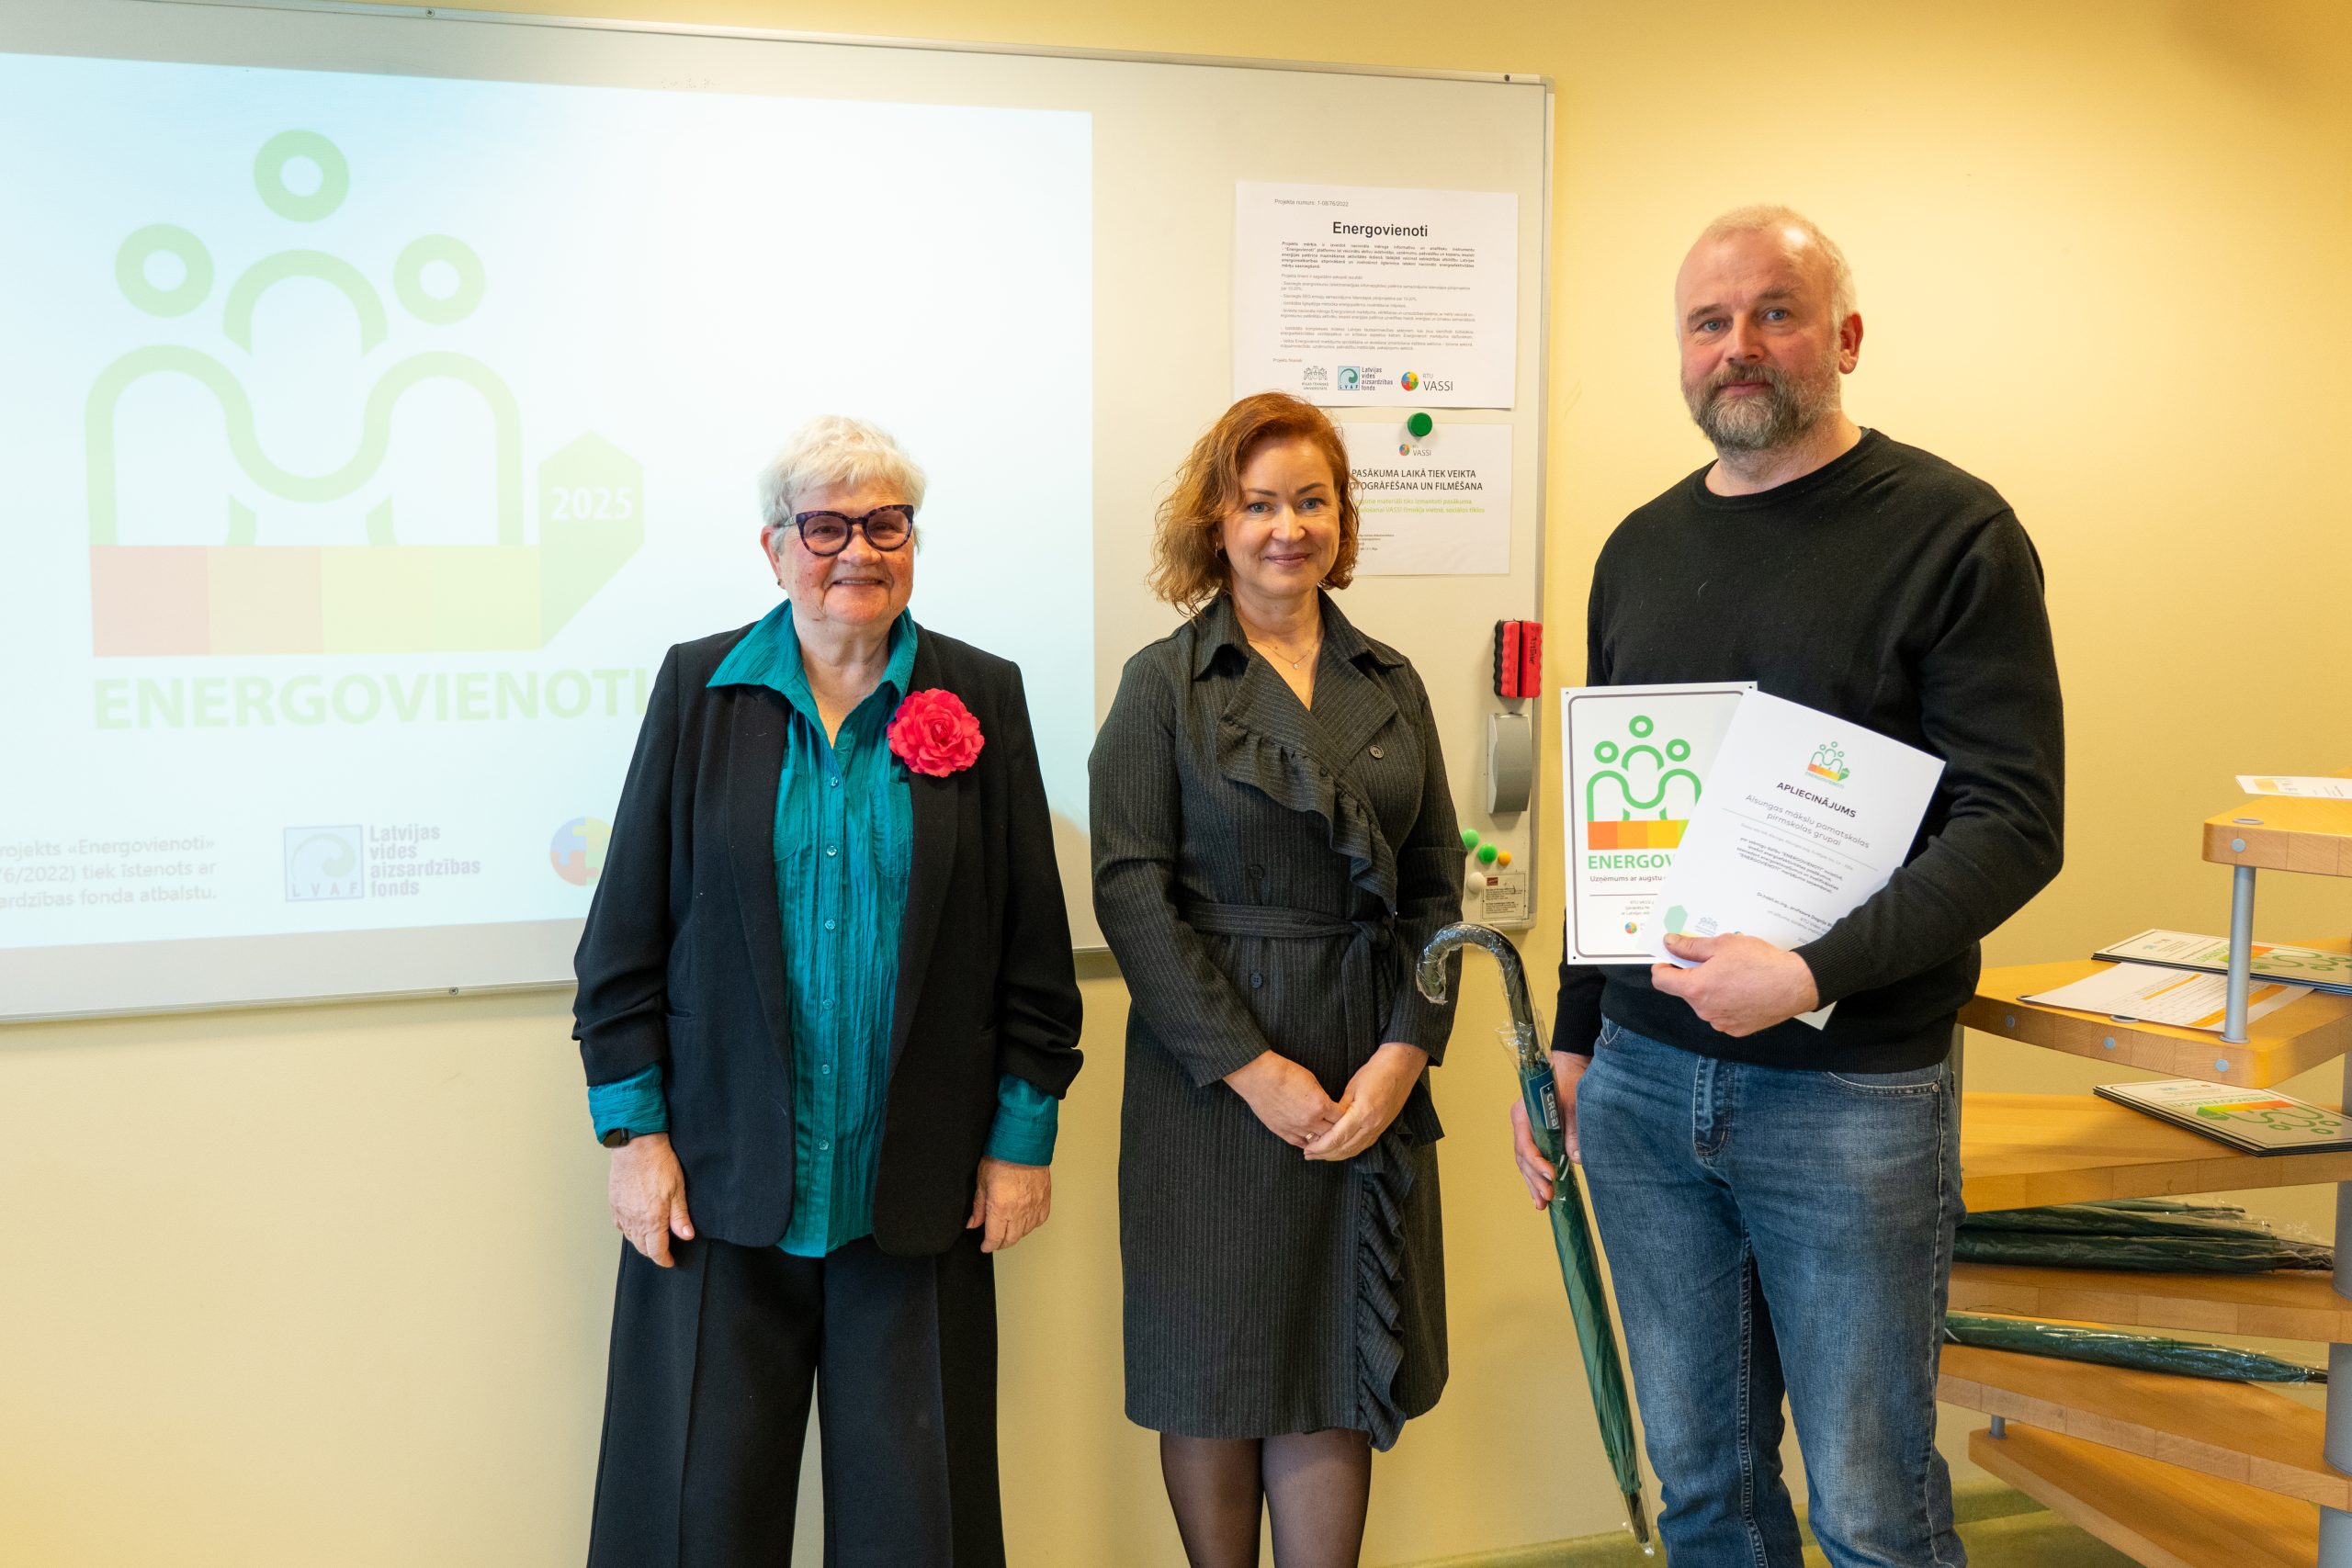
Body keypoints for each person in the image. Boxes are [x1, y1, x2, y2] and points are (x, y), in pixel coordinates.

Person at [1517, 208, 2064, 1568]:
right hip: (1644, 1089)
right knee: (1704, 1491)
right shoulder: (1637, 549)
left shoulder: (1952, 532)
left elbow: (2014, 822)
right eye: (1709, 321)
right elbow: (1616, 824)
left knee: (1870, 1506)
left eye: (1775, 311)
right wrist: (1576, 1042)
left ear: (1846, 337)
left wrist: (1811, 970)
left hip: (1850, 1094)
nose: (1739, 346)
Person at [572, 414, 1083, 1567]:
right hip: (716, 1180)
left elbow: (1032, 950)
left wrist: (1020, 1140)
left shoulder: (981, 693)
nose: (858, 550)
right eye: (825, 527)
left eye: (886, 524)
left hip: (920, 1185)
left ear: (914, 542)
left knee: (920, 1528)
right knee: (696, 1521)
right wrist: (634, 1138)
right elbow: (622, 943)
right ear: (774, 549)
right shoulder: (700, 688)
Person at [1091, 392, 1464, 1568]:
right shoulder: (1163, 685)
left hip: (1365, 1074)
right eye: (1259, 504)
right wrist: (1253, 1071)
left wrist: (1405, 1053)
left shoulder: (1391, 680)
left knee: (1329, 1364)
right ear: (1216, 521)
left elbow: (1439, 891)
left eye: (1311, 502)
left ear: (1341, 518)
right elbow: (1130, 896)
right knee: (1215, 1372)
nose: (1286, 528)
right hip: (1210, 1086)